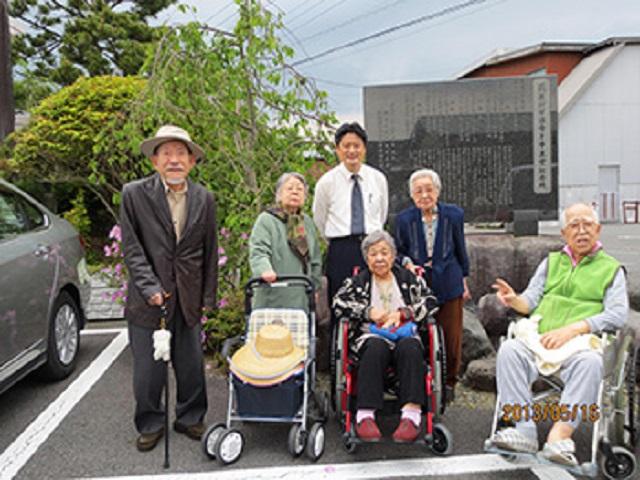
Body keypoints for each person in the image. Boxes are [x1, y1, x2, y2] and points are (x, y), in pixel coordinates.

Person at [487, 203, 628, 466]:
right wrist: (514, 300)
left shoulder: (611, 269)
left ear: (598, 230)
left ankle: (559, 436)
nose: (581, 230)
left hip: (580, 344)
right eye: (574, 225)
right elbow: (530, 300)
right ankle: (523, 430)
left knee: (591, 362)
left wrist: (575, 328)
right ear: (564, 233)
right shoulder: (551, 262)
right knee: (509, 350)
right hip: (540, 339)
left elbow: (617, 314)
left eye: (587, 224)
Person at [121, 125, 218, 452]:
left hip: (188, 295)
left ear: (192, 161)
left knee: (191, 365)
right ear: (154, 161)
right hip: (149, 298)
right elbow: (132, 248)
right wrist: (150, 286)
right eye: (167, 154)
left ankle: (190, 418)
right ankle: (150, 422)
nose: (174, 160)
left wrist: (207, 298)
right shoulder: (134, 194)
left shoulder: (204, 198)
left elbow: (209, 250)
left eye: (181, 154)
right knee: (149, 371)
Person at [333, 231, 432, 443]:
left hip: (404, 333)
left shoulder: (409, 278)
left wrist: (405, 313)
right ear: (366, 258)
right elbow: (338, 303)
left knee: (411, 348)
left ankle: (411, 415)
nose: (379, 258)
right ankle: (365, 415)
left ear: (393, 255)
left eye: (384, 253)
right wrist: (367, 312)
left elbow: (431, 301)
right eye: (373, 254)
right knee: (375, 346)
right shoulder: (357, 282)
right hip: (371, 335)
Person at [394, 168, 470, 402]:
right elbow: (398, 251)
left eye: (429, 189)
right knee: (420, 331)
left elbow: (460, 249)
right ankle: (420, 379)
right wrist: (407, 264)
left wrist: (464, 280)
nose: (424, 195)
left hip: (448, 278)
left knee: (451, 335)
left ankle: (449, 382)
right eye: (419, 191)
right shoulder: (404, 219)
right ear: (412, 195)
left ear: (437, 191)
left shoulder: (453, 215)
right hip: (418, 283)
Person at [313, 122, 388, 328]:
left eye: (356, 145)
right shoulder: (326, 182)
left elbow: (382, 214)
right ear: (337, 150)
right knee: (341, 304)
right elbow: (319, 219)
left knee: (375, 302)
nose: (351, 151)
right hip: (341, 249)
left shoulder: (378, 179)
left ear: (364, 148)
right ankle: (341, 356)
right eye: (346, 146)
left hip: (372, 247)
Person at [249, 172, 322, 310]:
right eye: (290, 188)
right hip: (273, 291)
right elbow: (259, 252)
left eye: (300, 189)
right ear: (279, 194)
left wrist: (316, 286)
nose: (295, 191)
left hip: (301, 293)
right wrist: (265, 270)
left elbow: (315, 259)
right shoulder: (266, 220)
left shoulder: (307, 223)